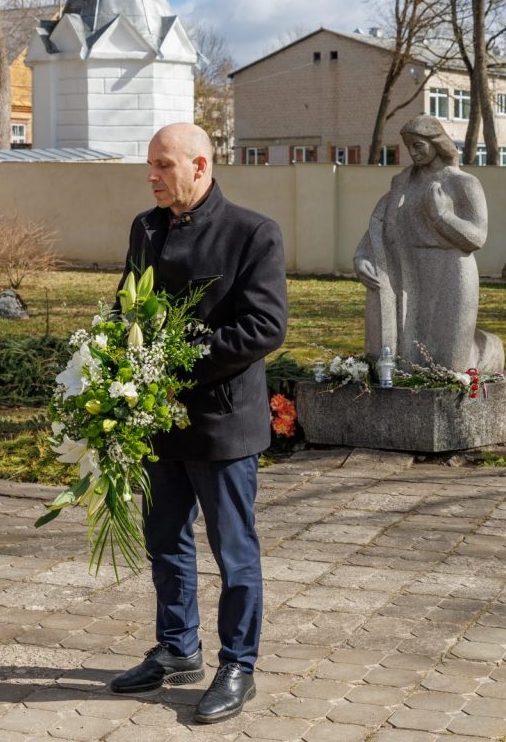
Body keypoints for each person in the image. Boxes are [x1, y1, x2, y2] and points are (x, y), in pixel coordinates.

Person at [109, 122, 288, 724]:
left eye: (162, 165)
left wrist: (174, 362)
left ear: (200, 166)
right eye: (150, 166)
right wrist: (113, 368)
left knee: (233, 551)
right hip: (157, 420)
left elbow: (265, 328)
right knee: (165, 540)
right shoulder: (147, 227)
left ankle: (238, 664)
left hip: (221, 422)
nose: (151, 176)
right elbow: (125, 307)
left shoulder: (253, 233)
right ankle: (178, 648)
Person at [354, 114, 503, 374]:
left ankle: (488, 348)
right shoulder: (402, 184)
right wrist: (362, 257)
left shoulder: (463, 183)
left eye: (418, 145)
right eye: (409, 146)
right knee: (407, 362)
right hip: (409, 274)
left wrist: (442, 216)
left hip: (451, 273)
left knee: (449, 368)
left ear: (437, 143)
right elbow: (381, 223)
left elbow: (477, 237)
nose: (413, 153)